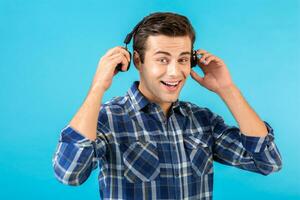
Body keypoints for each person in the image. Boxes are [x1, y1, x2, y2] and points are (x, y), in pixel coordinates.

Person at [52, 12, 282, 199]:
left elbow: (267, 162)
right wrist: (98, 87)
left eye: (182, 59)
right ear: (138, 61)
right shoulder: (107, 118)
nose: (174, 72)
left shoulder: (202, 120)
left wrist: (227, 89)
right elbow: (70, 173)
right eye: (162, 59)